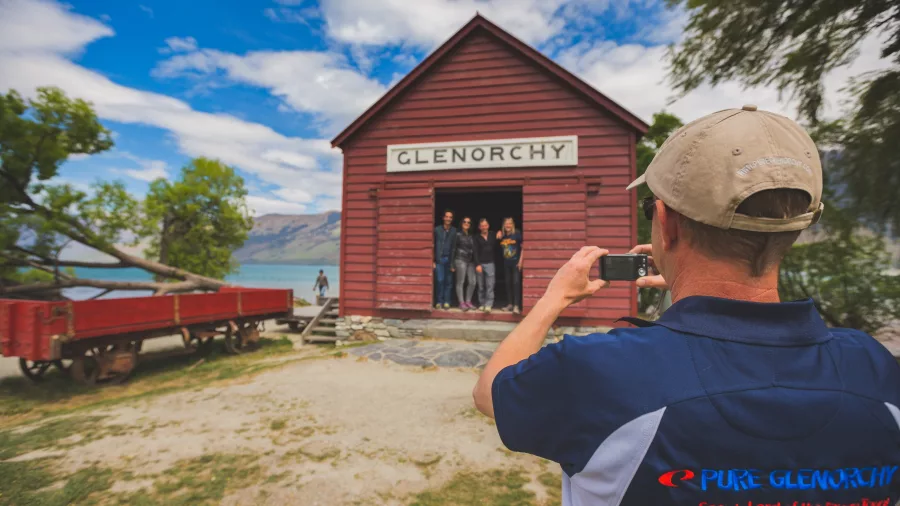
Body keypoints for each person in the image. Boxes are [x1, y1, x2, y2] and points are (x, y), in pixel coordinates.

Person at [472, 105, 900, 505]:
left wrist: (555, 298)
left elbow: (490, 391)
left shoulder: (599, 370)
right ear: (796, 229)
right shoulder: (877, 371)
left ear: (666, 222)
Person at [496, 217, 523, 314]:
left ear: (512, 225)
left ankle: (516, 306)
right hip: (506, 263)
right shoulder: (502, 236)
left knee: (516, 283)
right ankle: (510, 304)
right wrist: (498, 232)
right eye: (506, 224)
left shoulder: (517, 234)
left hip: (515, 263)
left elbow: (523, 247)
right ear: (504, 225)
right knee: (508, 283)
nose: (508, 225)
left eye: (510, 223)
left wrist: (521, 261)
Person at [433, 209, 458, 310]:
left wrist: (453, 263)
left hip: (449, 259)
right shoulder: (437, 230)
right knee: (439, 280)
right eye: (446, 216)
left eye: (450, 217)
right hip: (439, 259)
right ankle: (439, 301)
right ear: (443, 218)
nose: (448, 219)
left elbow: (454, 248)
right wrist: (433, 260)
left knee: (448, 281)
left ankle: (447, 301)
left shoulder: (454, 231)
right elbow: (432, 245)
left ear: (452, 219)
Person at [473, 218, 498, 313]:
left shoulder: (493, 235)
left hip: (490, 263)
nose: (484, 227)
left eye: (485, 225)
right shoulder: (476, 237)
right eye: (482, 225)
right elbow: (475, 251)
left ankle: (488, 305)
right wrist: (477, 264)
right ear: (479, 227)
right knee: (481, 286)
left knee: (490, 285)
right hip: (480, 264)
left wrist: (500, 232)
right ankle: (482, 303)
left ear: (488, 226)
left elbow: (503, 238)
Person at [454, 216, 477, 311]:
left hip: (471, 261)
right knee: (461, 281)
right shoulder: (457, 234)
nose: (466, 223)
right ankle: (461, 302)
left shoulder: (472, 236)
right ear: (461, 223)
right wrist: (452, 264)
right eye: (464, 221)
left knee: (472, 282)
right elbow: (453, 249)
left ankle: (468, 301)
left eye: (469, 222)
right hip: (460, 259)